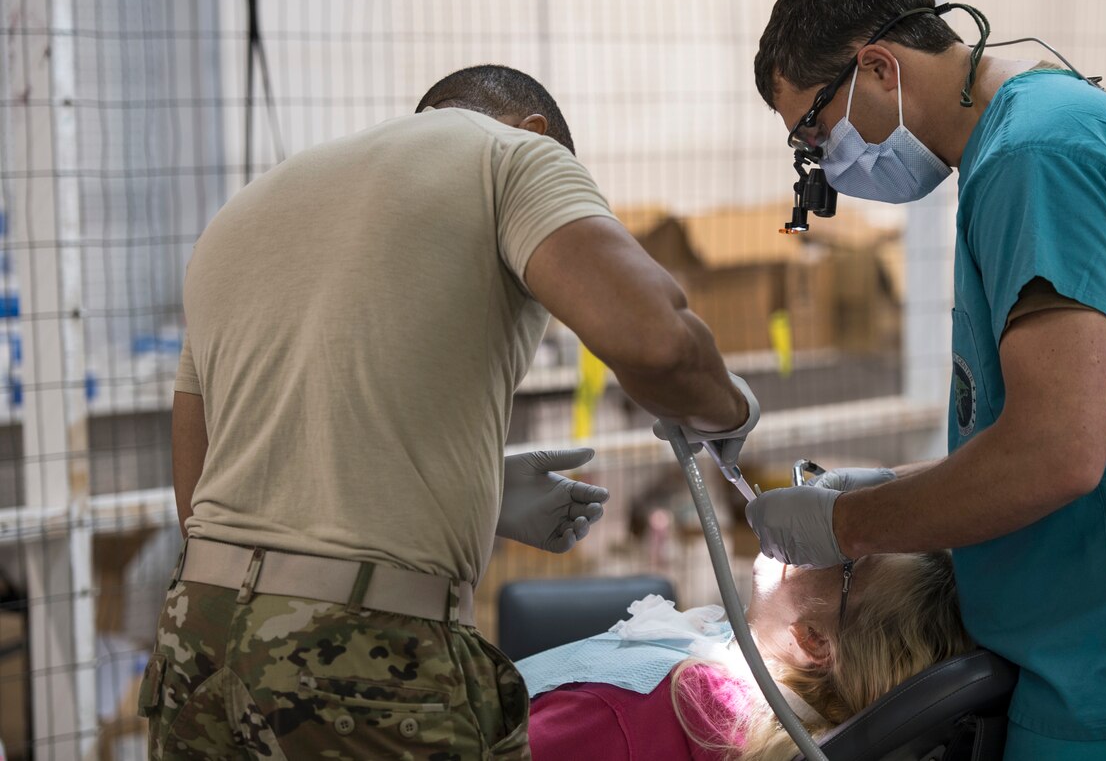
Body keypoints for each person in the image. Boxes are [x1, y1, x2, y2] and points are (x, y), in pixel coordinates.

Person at [743, 0, 1106, 760]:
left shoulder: (1036, 159)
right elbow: (1048, 422)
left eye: (818, 135)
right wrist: (890, 487)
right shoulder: (1038, 135)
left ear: (880, 67)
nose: (828, 174)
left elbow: (1055, 452)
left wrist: (847, 524)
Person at [139, 64, 760, 759]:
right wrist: (729, 412)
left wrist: (474, 491)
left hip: (198, 641)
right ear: (538, 132)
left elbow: (203, 490)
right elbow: (660, 346)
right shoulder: (514, 156)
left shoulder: (243, 212)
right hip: (357, 658)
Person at [521, 551, 972, 761]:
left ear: (813, 642)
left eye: (851, 559)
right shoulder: (754, 702)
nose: (830, 538)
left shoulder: (629, 714)